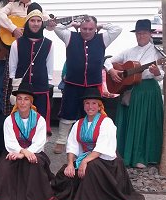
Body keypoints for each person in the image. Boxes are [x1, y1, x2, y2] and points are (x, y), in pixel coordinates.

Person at [51, 87, 145, 200]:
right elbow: (72, 146)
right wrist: (71, 164)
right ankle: (79, 194)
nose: (90, 106)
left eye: (94, 103)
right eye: (87, 103)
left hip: (107, 161)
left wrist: (85, 161)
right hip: (87, 157)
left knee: (91, 168)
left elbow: (102, 147)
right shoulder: (79, 123)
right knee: (66, 173)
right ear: (83, 106)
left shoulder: (106, 122)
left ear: (99, 106)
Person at [47, 16, 122, 154]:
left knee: (91, 112)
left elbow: (118, 29)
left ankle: (89, 140)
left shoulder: (103, 39)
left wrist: (101, 26)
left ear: (95, 28)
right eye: (84, 29)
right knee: (67, 111)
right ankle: (61, 141)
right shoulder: (69, 36)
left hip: (92, 84)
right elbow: (57, 27)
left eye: (91, 29)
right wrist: (72, 24)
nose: (87, 32)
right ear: (79, 28)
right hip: (72, 82)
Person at [0, 81, 55, 200]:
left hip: (35, 152)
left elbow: (39, 142)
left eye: (26, 99)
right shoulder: (9, 120)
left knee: (33, 164)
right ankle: (7, 195)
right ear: (16, 101)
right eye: (19, 99)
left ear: (31, 102)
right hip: (14, 150)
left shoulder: (40, 120)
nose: (22, 102)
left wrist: (25, 154)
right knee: (5, 167)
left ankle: (33, 195)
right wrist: (21, 151)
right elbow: (10, 142)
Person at [104, 19, 164, 168]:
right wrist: (111, 71)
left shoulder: (157, 52)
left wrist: (157, 72)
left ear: (150, 34)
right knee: (129, 122)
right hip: (130, 90)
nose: (140, 36)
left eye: (144, 33)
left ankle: (142, 157)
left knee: (145, 123)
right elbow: (107, 61)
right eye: (138, 33)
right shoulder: (129, 51)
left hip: (148, 91)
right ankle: (125, 154)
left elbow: (162, 75)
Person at [9, 2, 54, 136]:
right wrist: (14, 85)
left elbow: (49, 67)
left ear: (42, 23)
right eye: (32, 20)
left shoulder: (48, 44)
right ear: (27, 22)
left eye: (38, 21)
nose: (35, 24)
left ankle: (39, 146)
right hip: (22, 87)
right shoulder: (17, 43)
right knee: (21, 117)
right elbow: (13, 67)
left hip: (40, 87)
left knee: (40, 117)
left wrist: (47, 82)